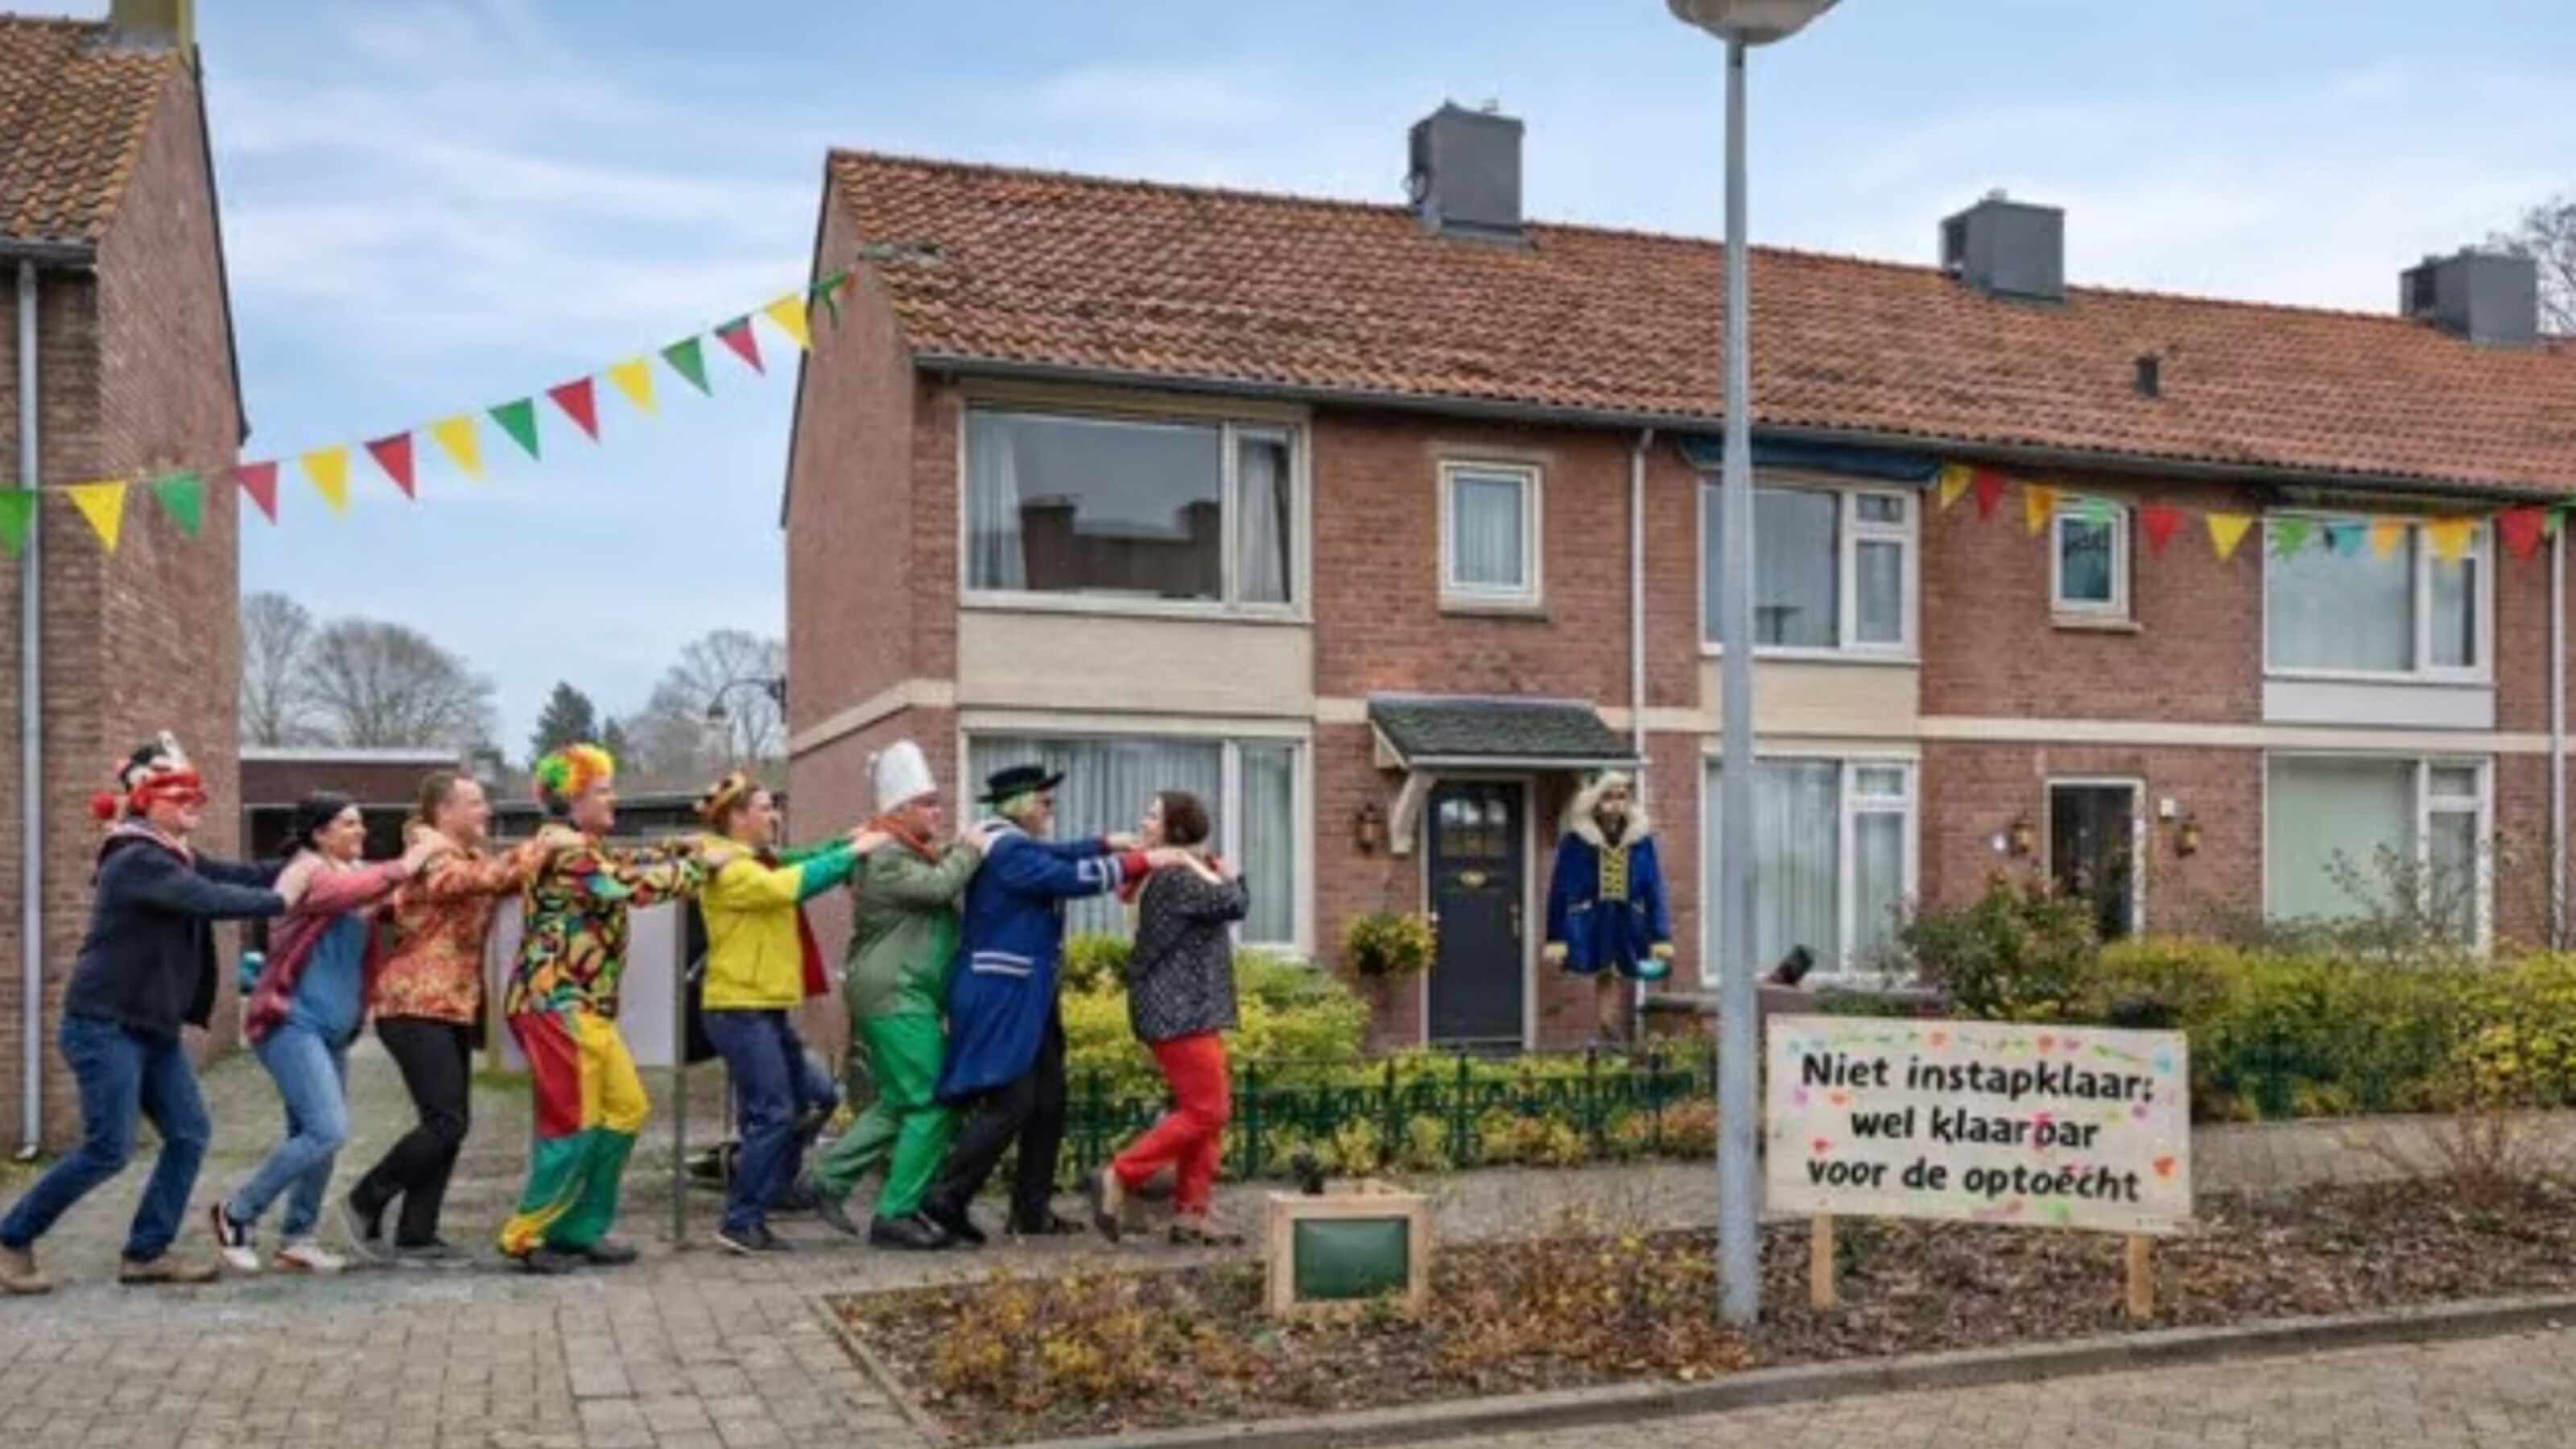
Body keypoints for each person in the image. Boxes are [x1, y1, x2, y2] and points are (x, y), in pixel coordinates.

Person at [0, 734, 297, 1294]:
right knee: (109, 1149)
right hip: (104, 1024)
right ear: (145, 801)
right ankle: (10, 1238)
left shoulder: (172, 855)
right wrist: (285, 899)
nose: (192, 804)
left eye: (194, 795)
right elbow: (212, 899)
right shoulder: (137, 858)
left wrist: (304, 863)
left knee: (189, 1134)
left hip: (152, 1028)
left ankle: (146, 1252)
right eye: (177, 795)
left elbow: (237, 875)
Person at [919, 764, 1174, 1245]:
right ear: (1020, 806)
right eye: (1044, 801)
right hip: (1002, 992)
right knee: (1011, 1101)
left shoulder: (1011, 841)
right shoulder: (1007, 848)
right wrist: (1142, 860)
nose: (1050, 809)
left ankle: (1030, 1210)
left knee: (1049, 1099)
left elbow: (1059, 853)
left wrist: (1107, 842)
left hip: (1028, 992)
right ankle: (946, 1198)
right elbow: (1067, 876)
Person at [497, 744, 729, 1274]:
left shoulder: (585, 847)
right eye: (602, 791)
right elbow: (627, 885)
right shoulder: (564, 851)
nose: (613, 799)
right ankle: (526, 1236)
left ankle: (580, 1228)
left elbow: (625, 863)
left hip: (585, 1009)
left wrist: (676, 846)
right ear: (573, 801)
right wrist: (698, 866)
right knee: (573, 1123)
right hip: (556, 1003)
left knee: (627, 1110)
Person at [213, 795, 432, 1274]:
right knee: (327, 1129)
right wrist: (409, 860)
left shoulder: (355, 873)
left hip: (332, 1030)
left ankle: (298, 1237)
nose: (361, 831)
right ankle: (237, 1212)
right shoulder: (306, 871)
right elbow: (350, 891)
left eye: (361, 822)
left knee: (314, 1136)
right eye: (349, 823)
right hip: (290, 1023)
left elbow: (384, 895)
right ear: (319, 833)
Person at [341, 771, 543, 1266]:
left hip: (449, 1005)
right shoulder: (430, 853)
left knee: (451, 1122)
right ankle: (364, 1199)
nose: (486, 811)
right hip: (414, 1004)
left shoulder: (464, 855)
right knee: (445, 1121)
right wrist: (544, 846)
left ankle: (418, 1234)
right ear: (444, 812)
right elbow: (463, 882)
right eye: (475, 803)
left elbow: (492, 878)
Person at [806, 741, 989, 1251]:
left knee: (896, 1101)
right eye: (927, 803)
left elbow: (935, 871)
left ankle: (826, 1182)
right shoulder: (888, 856)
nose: (938, 811)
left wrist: (956, 849)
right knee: (932, 1101)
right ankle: (895, 1213)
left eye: (937, 802)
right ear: (901, 811)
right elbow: (938, 887)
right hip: (896, 993)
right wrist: (973, 848)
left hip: (898, 992)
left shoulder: (902, 850)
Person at [691, 770, 879, 1255]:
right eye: (764, 807)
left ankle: (775, 1187)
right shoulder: (730, 869)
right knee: (772, 1112)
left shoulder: (756, 859)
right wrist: (852, 854)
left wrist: (845, 843)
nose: (773, 815)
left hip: (765, 1007)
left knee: (813, 1097)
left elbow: (800, 860)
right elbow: (790, 885)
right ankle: (741, 1221)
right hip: (739, 1009)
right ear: (737, 818)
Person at [1091, 791, 1248, 1247]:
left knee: (1206, 1111)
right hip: (1180, 1010)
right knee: (1208, 1110)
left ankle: (1192, 1212)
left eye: (1153, 816)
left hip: (1184, 1007)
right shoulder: (1176, 877)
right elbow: (1233, 903)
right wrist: (1236, 876)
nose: (1144, 821)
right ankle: (1121, 1174)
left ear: (1175, 829)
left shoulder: (1167, 874)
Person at [1541, 771, 1674, 1043]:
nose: (1615, 804)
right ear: (1595, 801)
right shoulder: (1576, 841)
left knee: (1626, 972)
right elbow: (1561, 889)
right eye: (1608, 797)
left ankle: (1613, 1037)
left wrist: (1660, 935)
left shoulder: (1641, 841)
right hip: (1591, 922)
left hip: (1630, 921)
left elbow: (1653, 887)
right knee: (1604, 974)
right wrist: (1557, 937)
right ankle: (1608, 1033)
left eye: (1621, 797)